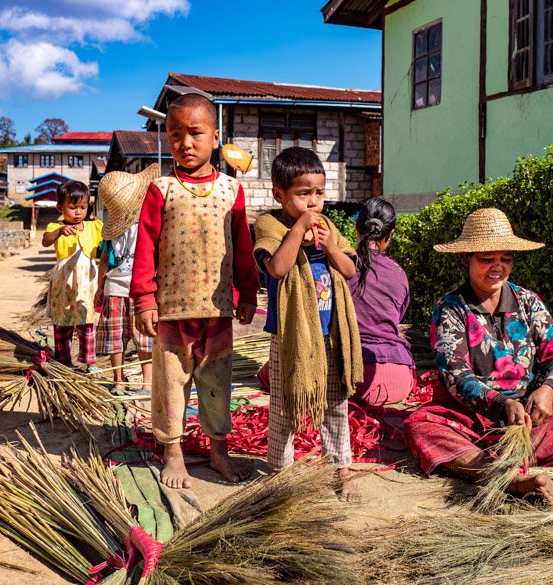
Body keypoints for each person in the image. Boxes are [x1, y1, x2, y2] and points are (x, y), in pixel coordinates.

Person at [403, 208, 553, 505]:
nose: (497, 267)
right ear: (466, 258)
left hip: (527, 420)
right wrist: (501, 403)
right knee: (420, 428)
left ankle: (504, 465)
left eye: (506, 258)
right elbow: (455, 374)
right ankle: (504, 476)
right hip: (469, 419)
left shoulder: (528, 302)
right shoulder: (450, 308)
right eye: (486, 259)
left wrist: (547, 390)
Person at [130, 94, 260, 489]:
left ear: (216, 137)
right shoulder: (161, 189)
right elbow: (146, 247)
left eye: (195, 133)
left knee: (217, 383)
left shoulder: (231, 192)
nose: (185, 143)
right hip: (171, 310)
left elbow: (242, 246)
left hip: (218, 309)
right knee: (171, 383)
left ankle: (218, 449)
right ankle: (173, 452)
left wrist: (248, 293)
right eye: (175, 135)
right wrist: (143, 299)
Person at [253, 147, 364, 502]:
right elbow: (278, 268)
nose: (314, 202)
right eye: (303, 194)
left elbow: (349, 271)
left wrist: (331, 246)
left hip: (332, 331)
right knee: (286, 402)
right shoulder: (269, 224)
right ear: (279, 194)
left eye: (319, 193)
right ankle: (279, 471)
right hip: (291, 334)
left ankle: (341, 469)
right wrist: (298, 229)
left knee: (335, 402)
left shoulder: (329, 226)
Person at [94, 165, 159, 396]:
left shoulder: (114, 233)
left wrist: (100, 287)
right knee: (144, 337)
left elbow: (103, 261)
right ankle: (147, 382)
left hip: (115, 287)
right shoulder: (149, 227)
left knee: (116, 338)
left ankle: (119, 380)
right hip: (139, 290)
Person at [348, 197, 415, 407]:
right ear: (391, 234)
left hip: (353, 378)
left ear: (356, 227)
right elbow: (397, 316)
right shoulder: (399, 274)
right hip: (400, 378)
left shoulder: (341, 266)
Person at [42, 180, 103, 367]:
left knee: (87, 322)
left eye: (83, 207)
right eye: (73, 207)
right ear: (60, 207)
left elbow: (108, 243)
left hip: (87, 283)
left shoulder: (95, 227)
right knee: (62, 323)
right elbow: (45, 241)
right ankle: (64, 362)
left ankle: (89, 363)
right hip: (63, 283)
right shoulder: (55, 227)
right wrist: (60, 231)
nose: (78, 212)